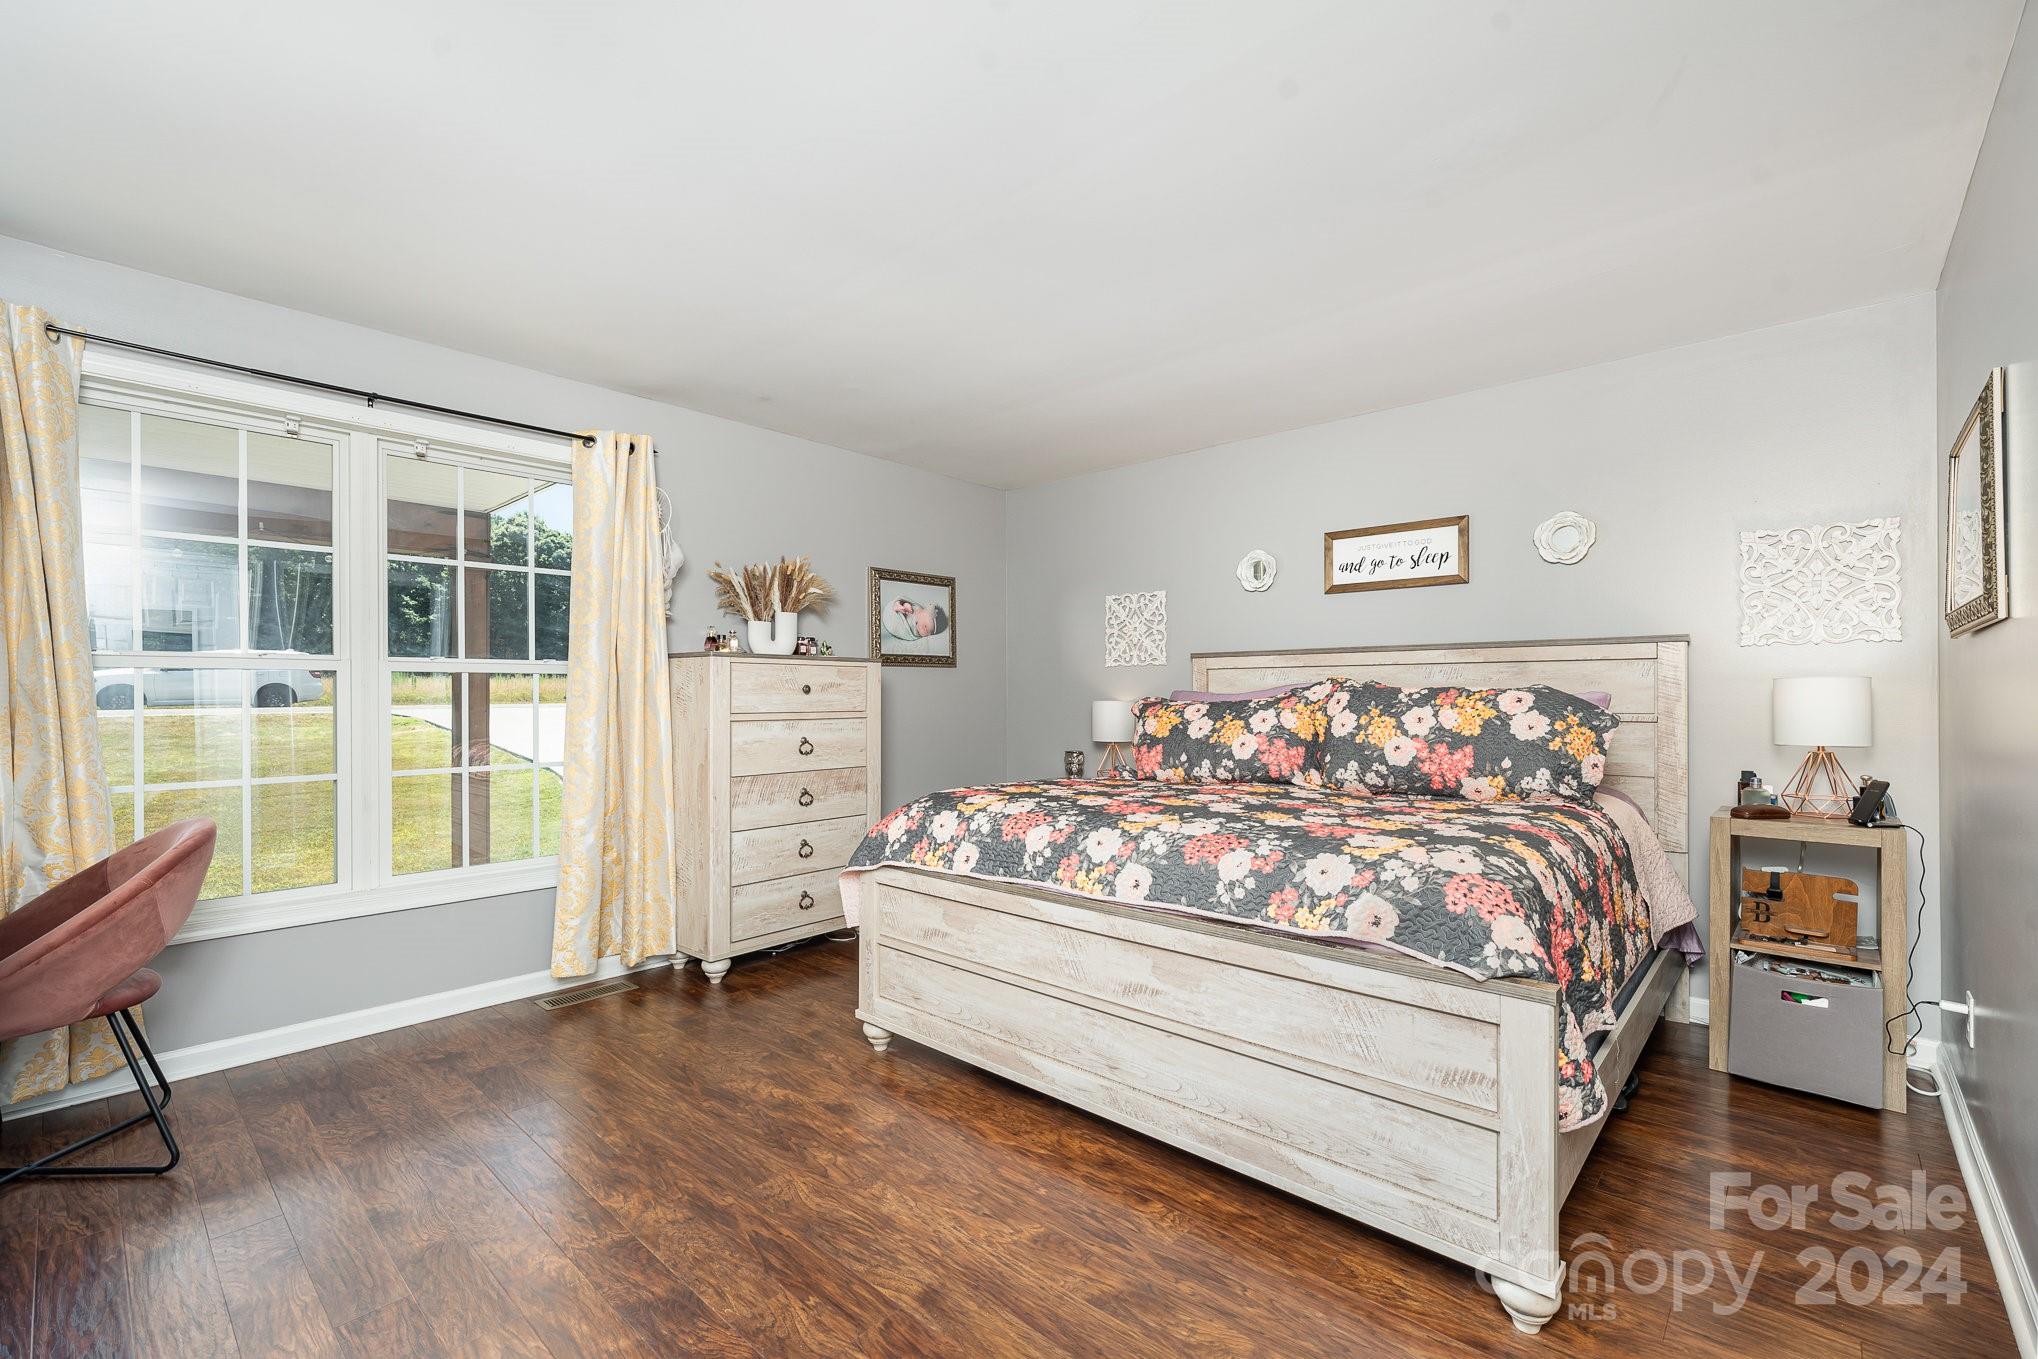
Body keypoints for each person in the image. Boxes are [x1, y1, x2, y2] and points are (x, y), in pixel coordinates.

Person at [883, 596, 949, 643]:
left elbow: (906, 631)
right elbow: (914, 606)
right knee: (906, 606)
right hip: (893, 611)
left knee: (896, 622)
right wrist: (905, 605)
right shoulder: (919, 609)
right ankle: (897, 605)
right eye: (925, 626)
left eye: (929, 632)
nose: (925, 632)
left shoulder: (914, 630)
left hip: (896, 621)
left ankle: (897, 607)